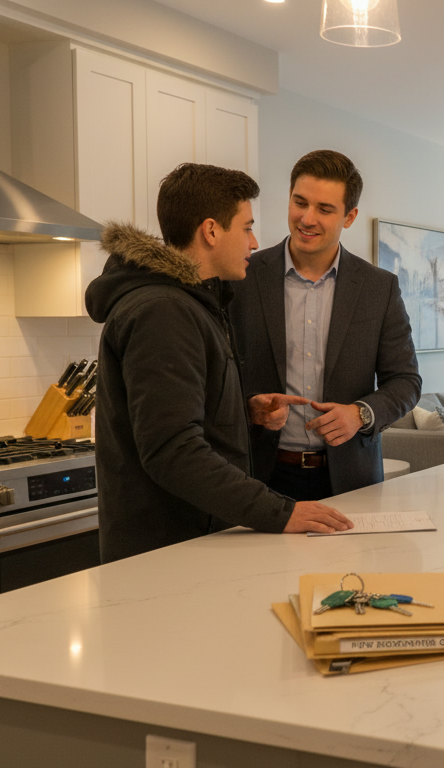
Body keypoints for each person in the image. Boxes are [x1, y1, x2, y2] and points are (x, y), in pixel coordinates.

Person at [86, 163, 353, 563]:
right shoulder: (163, 310)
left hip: (190, 543)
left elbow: (176, 414)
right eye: (246, 228)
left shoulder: (191, 303)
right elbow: (173, 450)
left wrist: (241, 413)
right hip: (168, 555)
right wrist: (282, 511)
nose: (254, 242)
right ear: (211, 231)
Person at [230, 150, 421, 501]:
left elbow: (406, 381)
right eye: (300, 202)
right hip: (257, 476)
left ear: (350, 217)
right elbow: (214, 377)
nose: (307, 218)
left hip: (351, 480)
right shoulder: (241, 277)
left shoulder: (379, 288)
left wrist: (360, 414)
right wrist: (249, 408)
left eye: (325, 209)